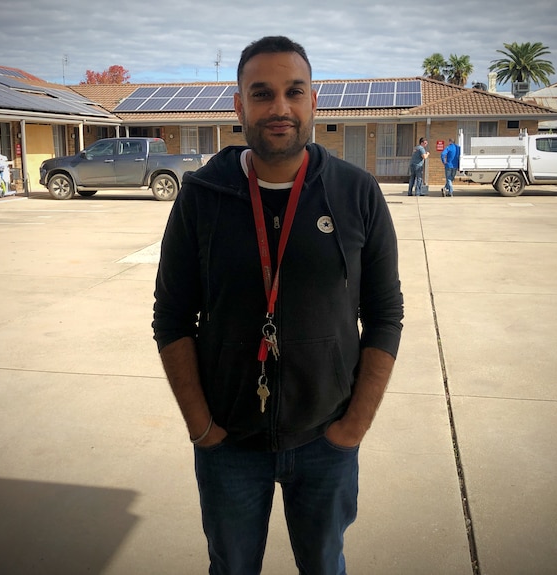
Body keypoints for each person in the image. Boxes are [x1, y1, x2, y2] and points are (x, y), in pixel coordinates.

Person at [153, 35, 404, 574]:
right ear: (239, 105)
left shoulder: (357, 192)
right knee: (233, 567)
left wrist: (353, 427)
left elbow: (385, 315)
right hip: (229, 446)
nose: (280, 108)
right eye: (262, 93)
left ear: (314, 102)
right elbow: (171, 317)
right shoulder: (200, 196)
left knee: (324, 566)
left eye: (295, 91)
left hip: (325, 440)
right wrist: (202, 428)